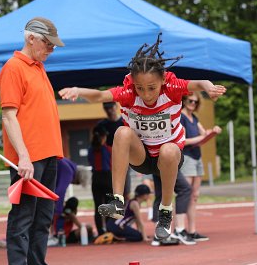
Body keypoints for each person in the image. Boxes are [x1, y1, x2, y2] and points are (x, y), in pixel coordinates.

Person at [59, 33, 226, 242]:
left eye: (152, 88)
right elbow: (101, 96)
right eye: (140, 88)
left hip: (169, 156)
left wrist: (209, 87)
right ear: (134, 85)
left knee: (167, 149)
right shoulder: (129, 94)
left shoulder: (172, 88)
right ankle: (118, 200)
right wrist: (77, 90)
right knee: (122, 132)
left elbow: (199, 83)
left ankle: (165, 211)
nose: (146, 94)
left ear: (163, 80)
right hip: (142, 157)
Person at [0, 16, 75, 265]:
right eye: (48, 44)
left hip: (48, 155)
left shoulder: (38, 68)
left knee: (43, 218)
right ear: (31, 38)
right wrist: (23, 156)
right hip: (29, 159)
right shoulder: (14, 68)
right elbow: (9, 116)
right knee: (23, 217)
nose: (51, 50)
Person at [180, 92, 222, 241]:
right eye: (191, 101)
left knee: (194, 196)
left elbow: (204, 134)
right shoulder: (181, 117)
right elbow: (182, 141)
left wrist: (213, 132)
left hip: (197, 158)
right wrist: (201, 137)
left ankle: (192, 230)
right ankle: (180, 229)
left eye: (196, 102)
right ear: (184, 101)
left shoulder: (195, 118)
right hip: (187, 158)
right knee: (185, 194)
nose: (193, 104)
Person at [49, 157, 91, 245]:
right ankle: (55, 235)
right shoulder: (68, 172)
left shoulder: (67, 163)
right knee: (59, 211)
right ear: (78, 178)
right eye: (77, 183)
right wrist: (58, 212)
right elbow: (60, 192)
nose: (73, 183)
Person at [97, 101, 132, 199]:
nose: (109, 110)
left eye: (111, 107)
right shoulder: (101, 125)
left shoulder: (125, 122)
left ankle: (126, 211)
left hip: (124, 158)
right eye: (106, 108)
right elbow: (95, 144)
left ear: (116, 107)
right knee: (111, 192)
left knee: (126, 189)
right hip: (107, 162)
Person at [151, 171, 195, 246]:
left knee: (160, 195)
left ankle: (158, 235)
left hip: (154, 163)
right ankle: (179, 230)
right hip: (167, 163)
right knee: (184, 189)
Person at [88, 125, 113, 236]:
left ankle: (100, 232)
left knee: (98, 206)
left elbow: (90, 162)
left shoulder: (90, 150)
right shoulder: (108, 149)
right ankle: (109, 230)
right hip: (107, 177)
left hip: (95, 178)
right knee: (109, 205)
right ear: (103, 137)